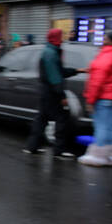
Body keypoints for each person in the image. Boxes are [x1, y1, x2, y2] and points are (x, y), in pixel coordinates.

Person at [24, 29, 85, 158]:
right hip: (52, 92)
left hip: (46, 91)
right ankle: (59, 150)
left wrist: (78, 70)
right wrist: (62, 96)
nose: (62, 39)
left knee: (41, 119)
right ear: (55, 38)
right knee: (62, 118)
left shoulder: (50, 51)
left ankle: (32, 146)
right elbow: (55, 77)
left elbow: (60, 71)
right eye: (60, 36)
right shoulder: (50, 53)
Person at [78, 32, 112, 166]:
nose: (103, 40)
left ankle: (98, 156)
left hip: (104, 97)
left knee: (101, 126)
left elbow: (97, 80)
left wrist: (90, 100)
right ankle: (111, 155)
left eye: (105, 38)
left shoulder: (107, 55)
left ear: (111, 41)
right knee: (111, 126)